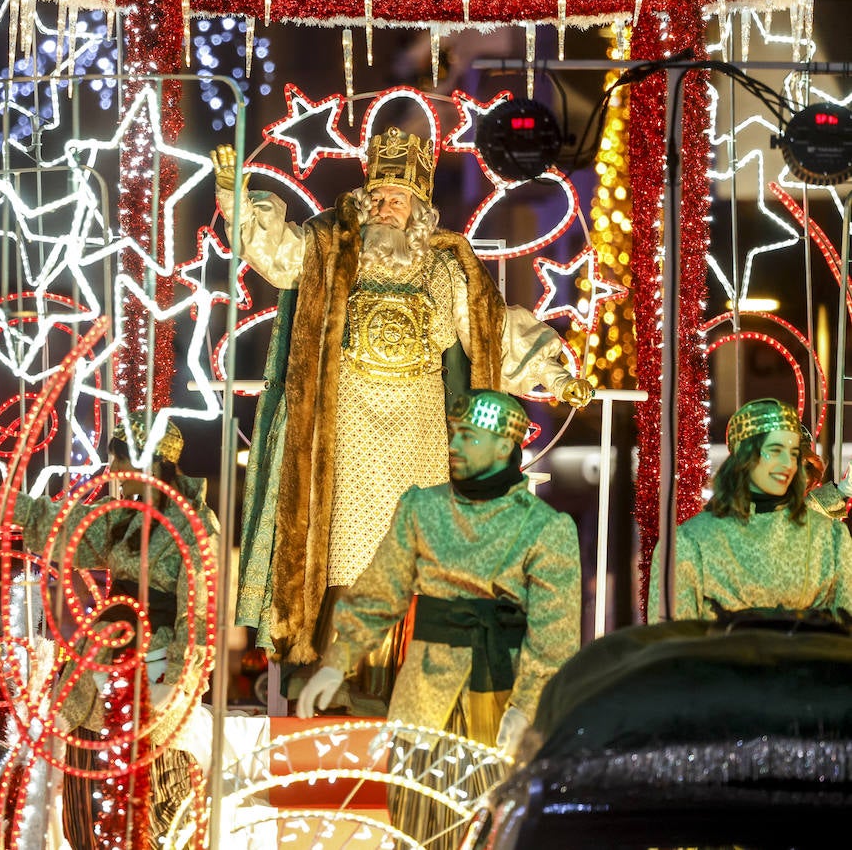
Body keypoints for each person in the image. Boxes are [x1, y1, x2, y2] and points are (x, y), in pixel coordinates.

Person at [213, 129, 594, 670]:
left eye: (398, 199)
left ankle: (407, 682)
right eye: (379, 197)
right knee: (343, 554)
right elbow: (276, 256)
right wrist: (236, 198)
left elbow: (493, 331)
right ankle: (335, 680)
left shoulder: (446, 270)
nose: (385, 207)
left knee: (412, 561)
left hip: (418, 440)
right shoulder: (331, 250)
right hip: (344, 437)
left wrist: (556, 378)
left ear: (419, 210)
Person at [295, 390, 581, 848]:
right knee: (417, 828)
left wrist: (526, 707)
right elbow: (380, 591)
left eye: (468, 436)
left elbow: (555, 635)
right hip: (423, 699)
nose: (453, 444)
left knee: (495, 832)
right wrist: (337, 659)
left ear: (505, 446)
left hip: (502, 700)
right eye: (453, 433)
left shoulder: (546, 528)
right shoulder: (421, 508)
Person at [0, 410, 215, 849]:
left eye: (121, 462)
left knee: (150, 806)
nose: (112, 473)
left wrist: (180, 680)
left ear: (147, 463)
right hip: (104, 666)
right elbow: (46, 517)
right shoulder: (123, 519)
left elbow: (199, 615)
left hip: (158, 678)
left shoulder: (196, 527)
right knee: (84, 805)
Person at [649, 398, 852, 623]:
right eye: (775, 450)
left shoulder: (832, 540)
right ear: (743, 455)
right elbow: (669, 644)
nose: (787, 463)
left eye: (794, 453)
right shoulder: (688, 544)